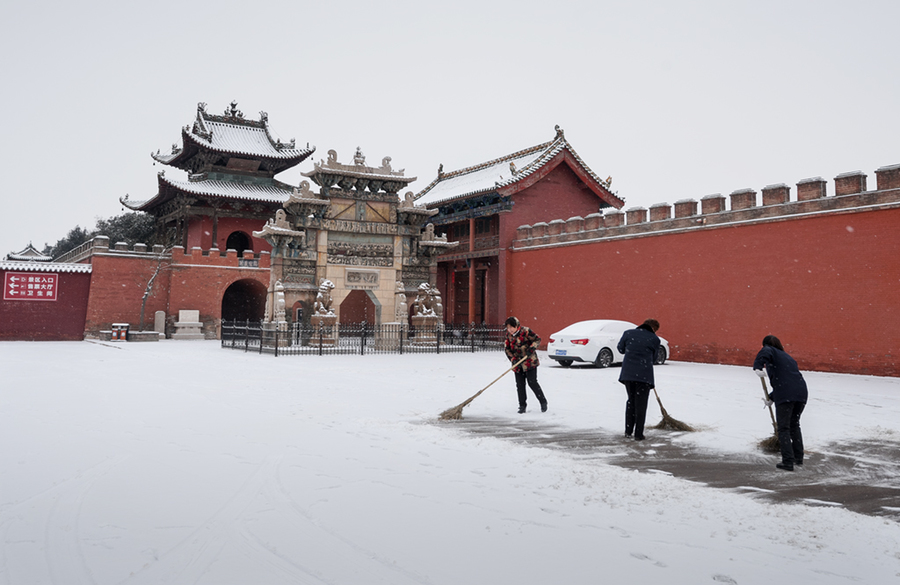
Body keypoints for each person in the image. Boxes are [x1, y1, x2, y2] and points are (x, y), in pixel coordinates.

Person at [753, 335, 808, 471]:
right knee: (794, 425)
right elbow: (787, 380)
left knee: (783, 428)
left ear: (766, 344)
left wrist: (758, 367)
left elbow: (766, 352)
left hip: (786, 395)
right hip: (801, 393)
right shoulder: (787, 357)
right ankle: (798, 458)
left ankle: (788, 462)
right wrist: (772, 398)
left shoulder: (769, 350)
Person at [617, 319, 661, 441]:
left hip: (628, 374)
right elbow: (654, 358)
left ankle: (628, 431)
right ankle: (638, 434)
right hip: (644, 376)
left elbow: (621, 349)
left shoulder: (628, 333)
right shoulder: (654, 339)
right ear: (654, 328)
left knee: (631, 401)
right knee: (641, 405)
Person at [504, 316, 548, 414]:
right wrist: (512, 359)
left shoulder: (526, 331)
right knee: (520, 385)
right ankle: (522, 406)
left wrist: (531, 349)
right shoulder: (509, 335)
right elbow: (507, 349)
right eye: (508, 328)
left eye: (512, 327)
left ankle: (543, 402)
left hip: (529, 362)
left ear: (516, 326)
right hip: (517, 363)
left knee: (532, 382)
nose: (510, 330)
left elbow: (537, 339)